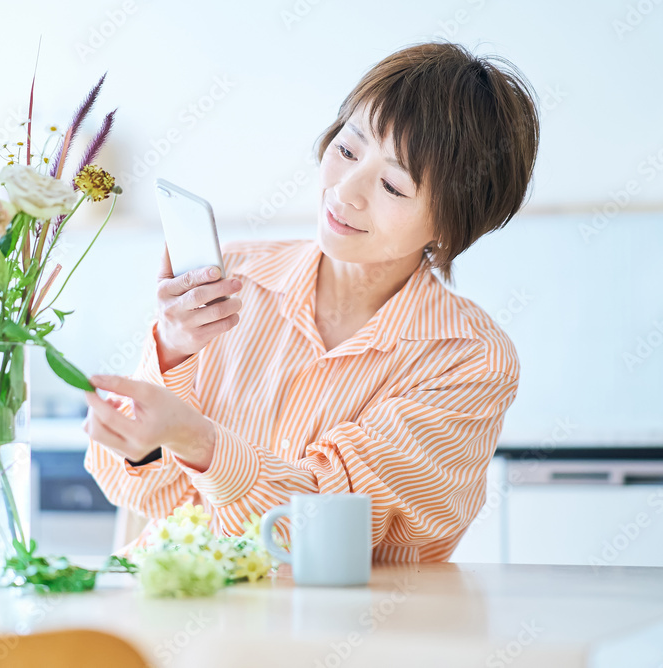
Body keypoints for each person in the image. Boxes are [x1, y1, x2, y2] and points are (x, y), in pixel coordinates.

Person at [82, 41, 539, 562]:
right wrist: (171, 352)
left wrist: (199, 441)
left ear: (453, 222)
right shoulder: (236, 278)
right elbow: (139, 491)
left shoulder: (467, 358)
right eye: (347, 150)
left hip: (357, 632)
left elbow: (321, 532)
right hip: (191, 613)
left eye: (392, 185)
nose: (345, 192)